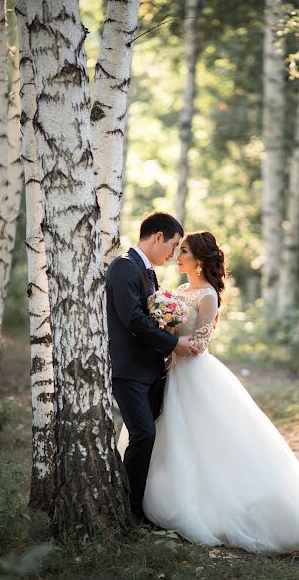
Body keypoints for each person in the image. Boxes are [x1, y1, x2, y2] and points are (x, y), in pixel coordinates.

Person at [118, 230, 299, 553]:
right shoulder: (181, 290)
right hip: (171, 373)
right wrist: (165, 329)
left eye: (183, 252)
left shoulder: (207, 296)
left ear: (198, 260)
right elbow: (169, 330)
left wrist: (172, 338)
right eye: (178, 250)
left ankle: (218, 507)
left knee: (205, 441)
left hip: (195, 376)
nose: (177, 257)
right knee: (169, 437)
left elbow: (199, 344)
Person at [106, 212, 199, 523]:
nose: (173, 253)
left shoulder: (149, 274)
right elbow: (132, 319)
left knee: (152, 435)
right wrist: (173, 344)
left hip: (149, 369)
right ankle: (129, 512)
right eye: (172, 245)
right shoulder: (124, 267)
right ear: (157, 237)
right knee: (143, 434)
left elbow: (152, 317)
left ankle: (143, 506)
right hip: (128, 369)